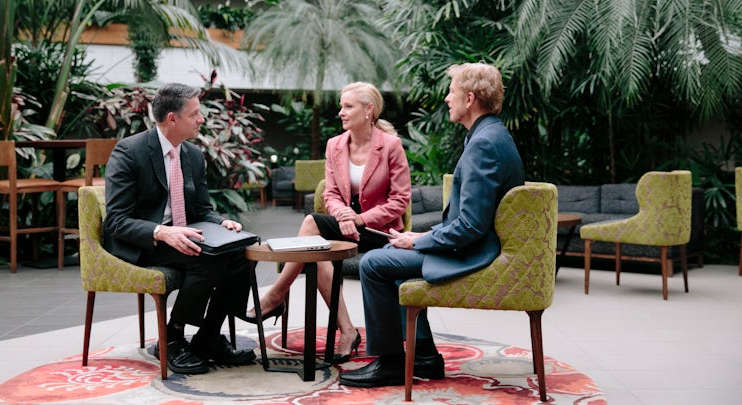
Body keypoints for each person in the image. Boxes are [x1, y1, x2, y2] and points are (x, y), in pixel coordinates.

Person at [339, 63, 525, 388]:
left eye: (451, 92)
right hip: (473, 244)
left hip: (473, 252)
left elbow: (470, 226)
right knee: (389, 255)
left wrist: (419, 242)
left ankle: (392, 363)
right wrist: (423, 235)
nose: (446, 99)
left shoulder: (484, 144)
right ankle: (425, 356)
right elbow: (471, 220)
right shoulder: (490, 134)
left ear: (469, 98)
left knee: (373, 263)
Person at [247, 82, 411, 363]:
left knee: (313, 236)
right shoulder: (335, 145)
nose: (341, 113)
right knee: (315, 237)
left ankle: (275, 295)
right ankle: (347, 331)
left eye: (348, 106)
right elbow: (331, 193)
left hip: (379, 230)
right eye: (341, 106)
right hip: (346, 224)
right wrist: (344, 216)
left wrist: (358, 218)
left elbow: (400, 200)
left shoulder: (391, 146)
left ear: (368, 109)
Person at [103, 83, 255, 375]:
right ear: (172, 118)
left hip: (185, 235)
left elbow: (202, 210)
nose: (202, 119)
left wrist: (221, 223)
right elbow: (117, 221)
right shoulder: (130, 151)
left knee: (240, 253)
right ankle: (172, 337)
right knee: (206, 258)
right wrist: (162, 232)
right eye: (195, 113)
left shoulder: (193, 156)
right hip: (146, 242)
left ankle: (207, 337)